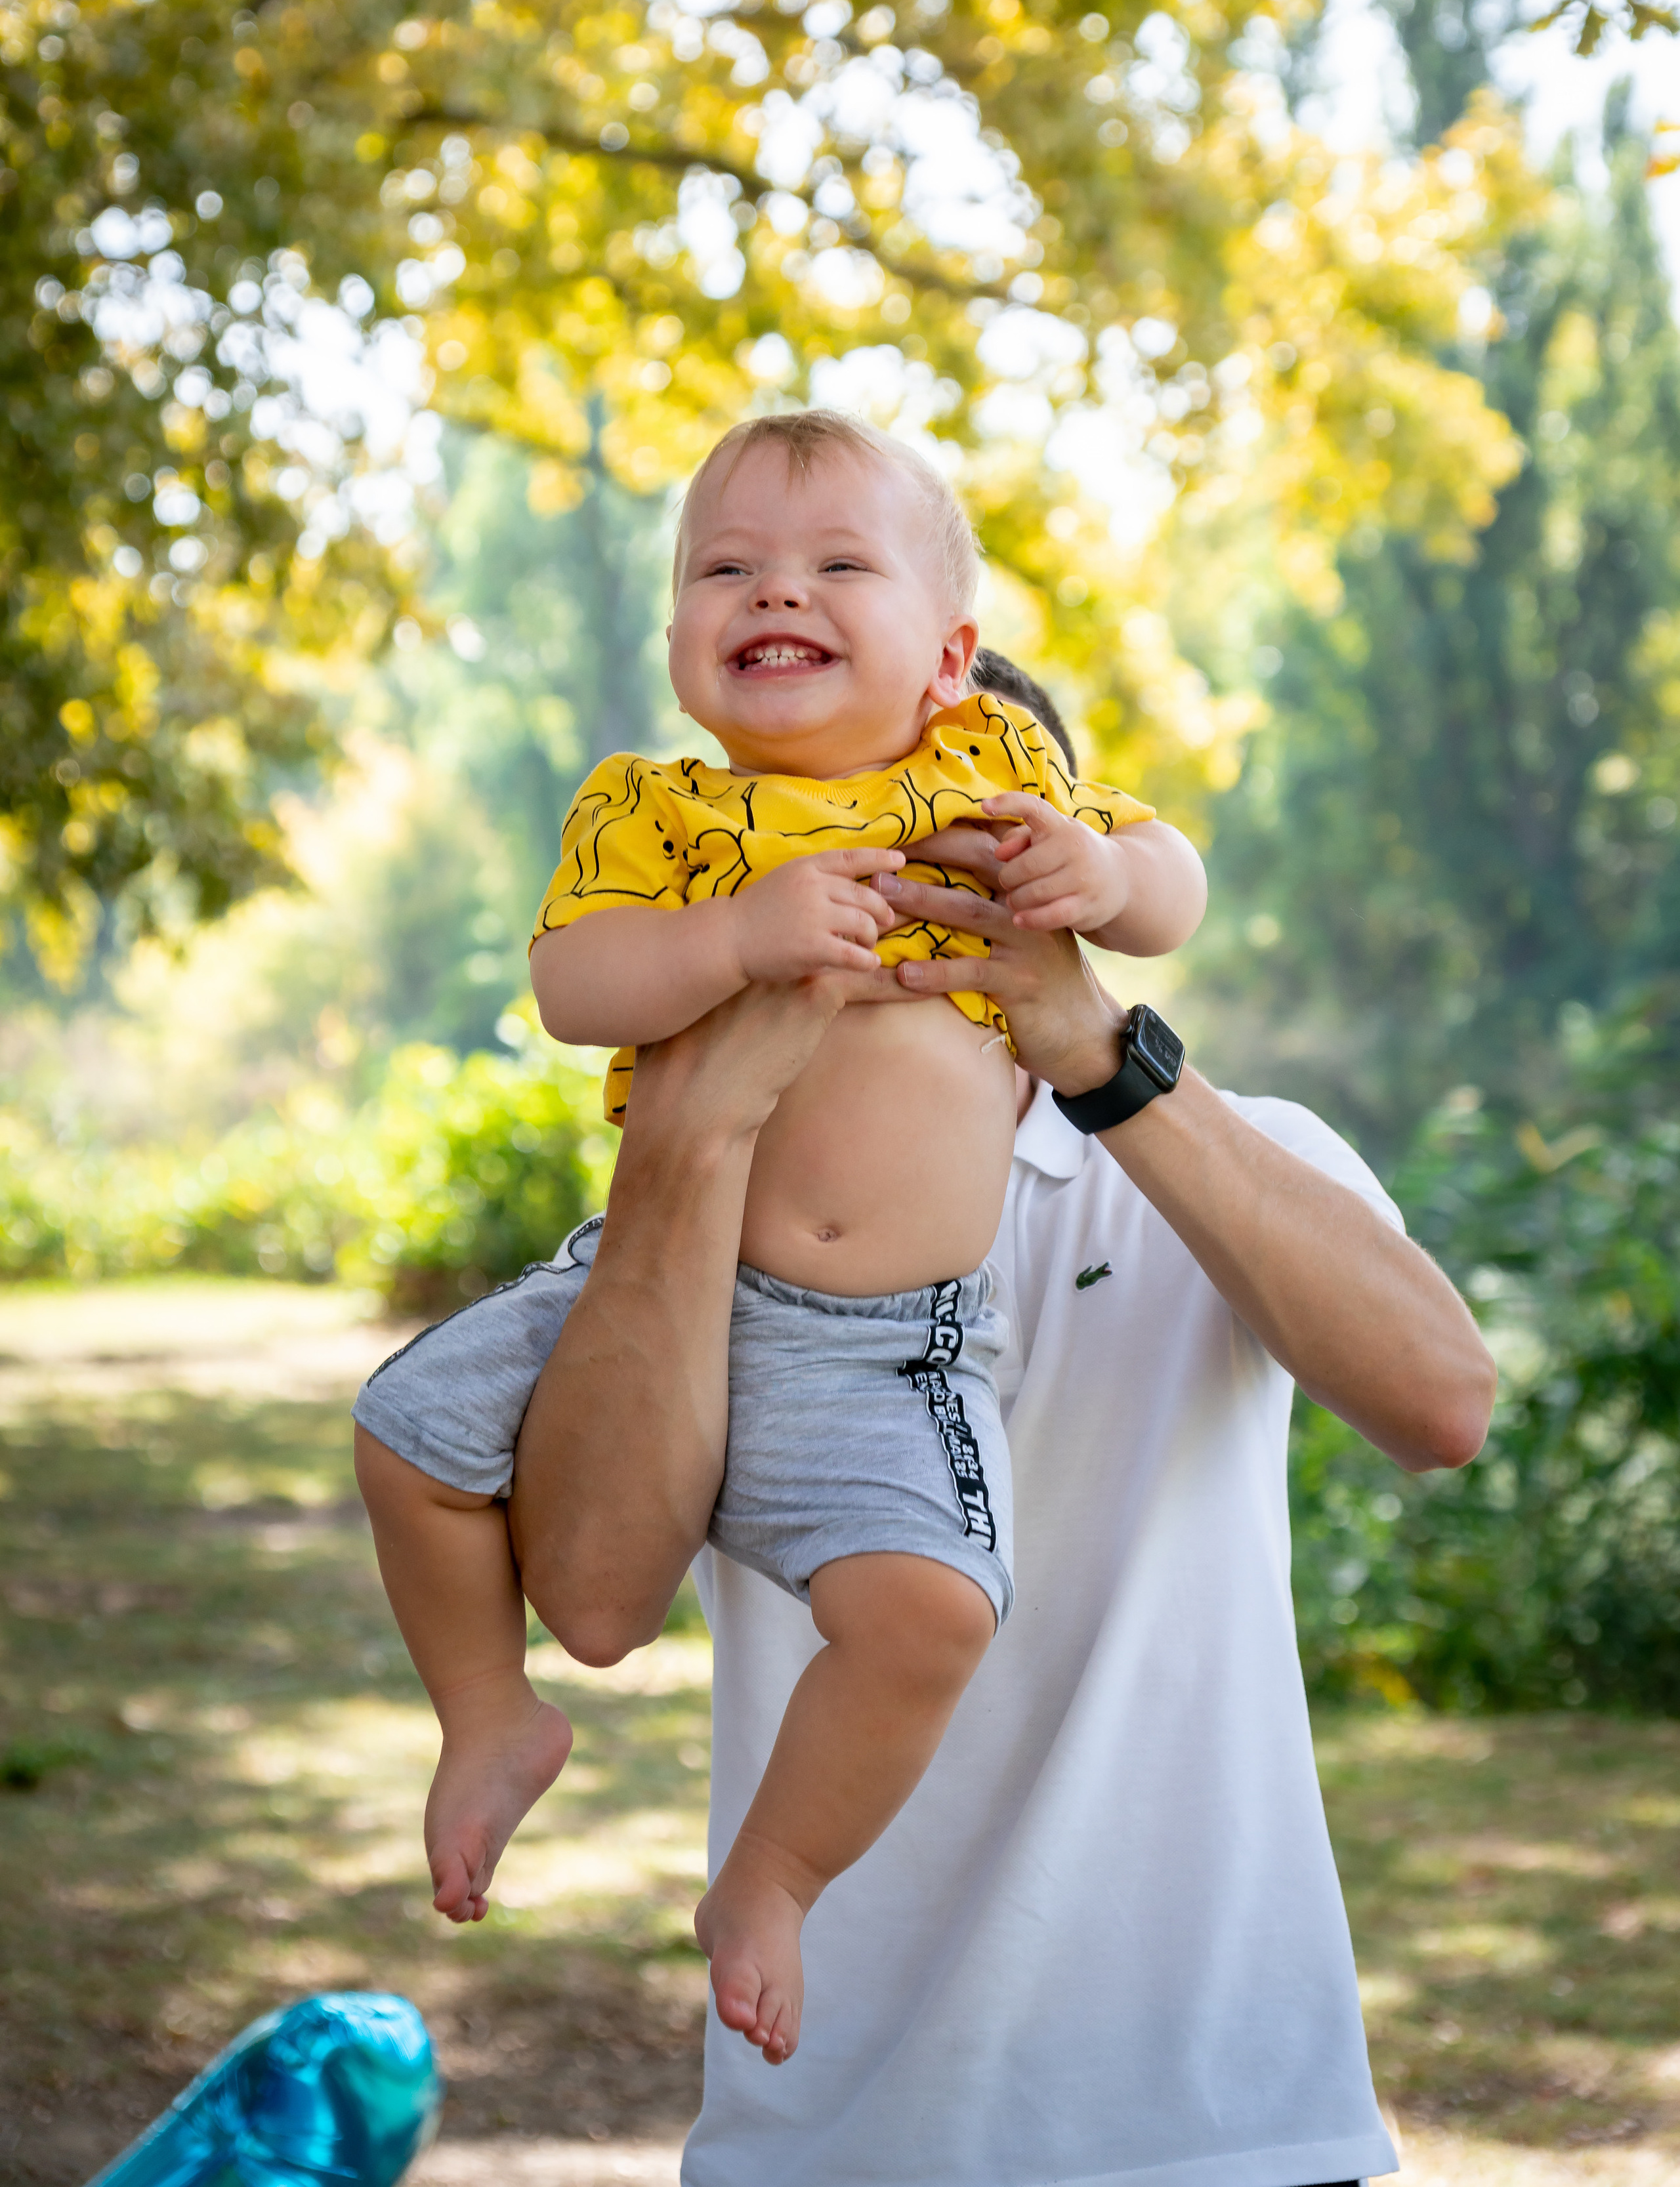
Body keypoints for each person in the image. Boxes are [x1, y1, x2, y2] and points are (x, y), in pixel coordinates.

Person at [490, 652, 1496, 2187]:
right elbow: (591, 1600)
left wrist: (1096, 1052)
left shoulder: (1231, 1150)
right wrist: (685, 1143)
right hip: (826, 2130)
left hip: (1223, 2116)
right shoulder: (721, 1209)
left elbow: (1441, 1404)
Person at [354, 415, 1208, 2063]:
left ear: (951, 655)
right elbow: (569, 989)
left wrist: (1100, 873)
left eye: (833, 566)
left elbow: (1170, 884)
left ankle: (769, 1879)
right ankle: (485, 1718)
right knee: (406, 1437)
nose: (776, 592)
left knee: (931, 1613)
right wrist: (734, 933)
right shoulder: (657, 816)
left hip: (879, 1345)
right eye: (726, 569)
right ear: (678, 642)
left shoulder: (993, 779)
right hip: (646, 1270)